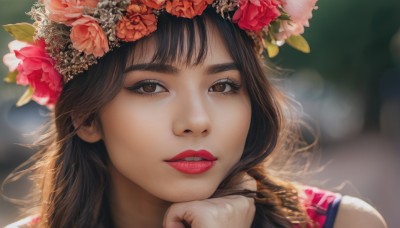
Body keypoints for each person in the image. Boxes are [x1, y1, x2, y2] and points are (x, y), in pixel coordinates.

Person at [1, 0, 387, 227]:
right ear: (86, 118)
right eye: (150, 86)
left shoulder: (348, 223)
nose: (197, 121)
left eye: (223, 86)